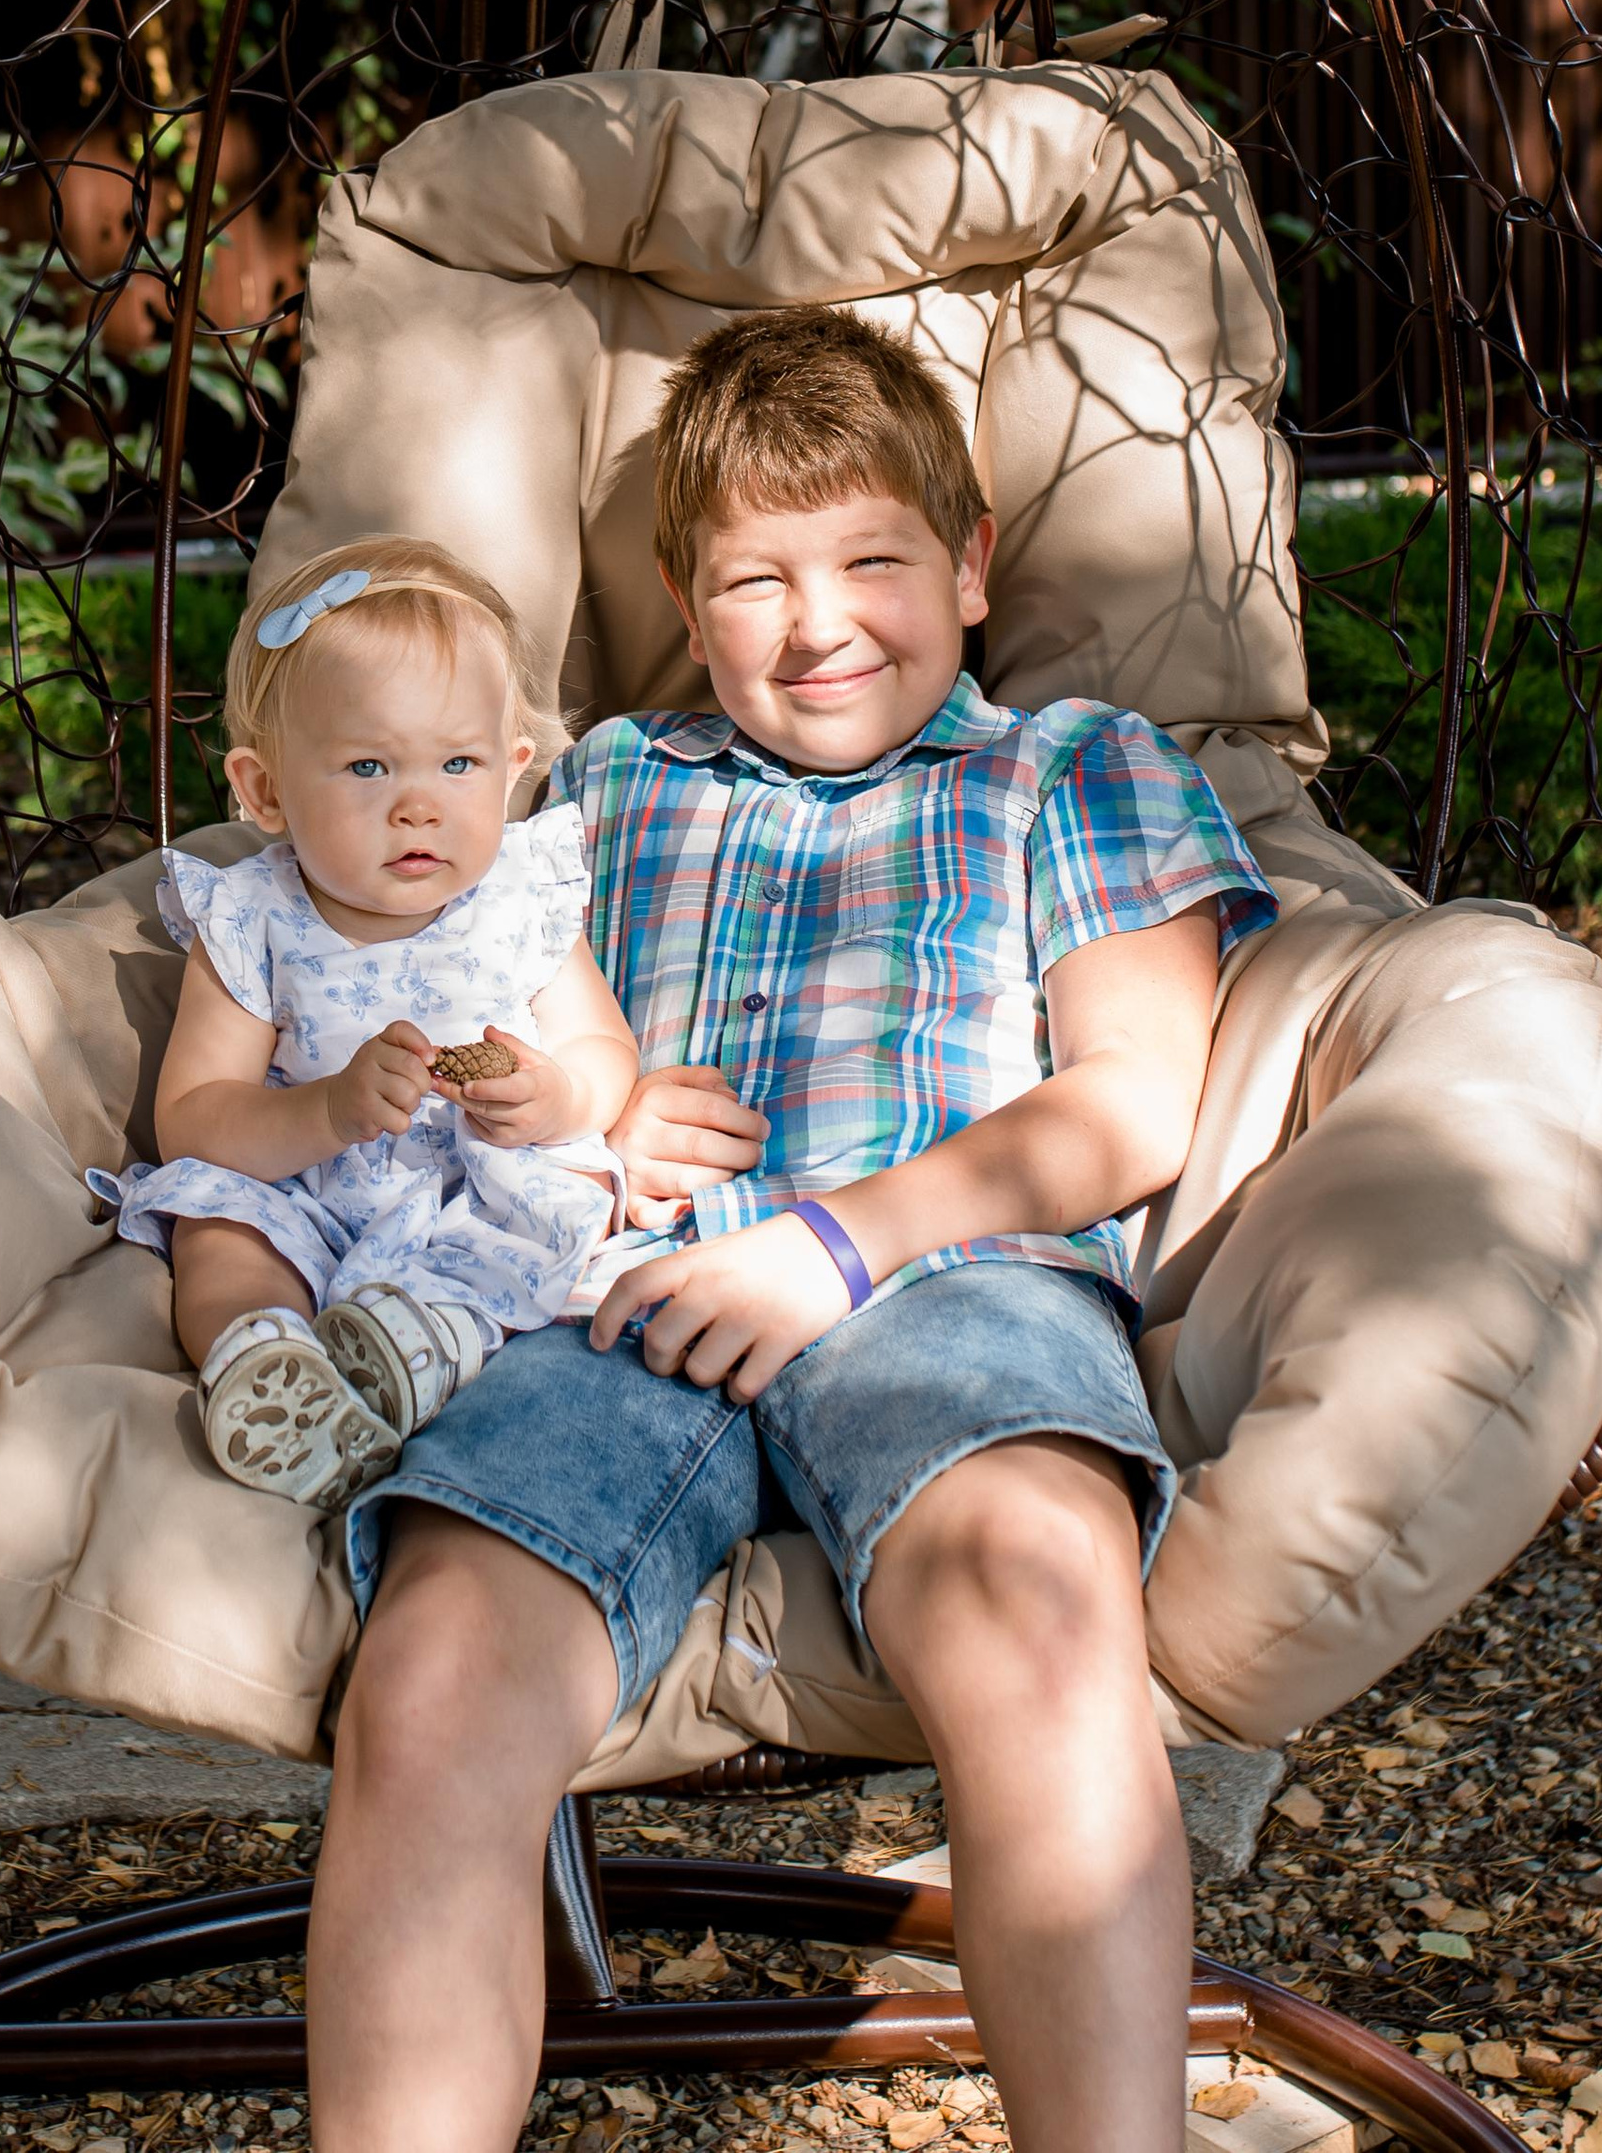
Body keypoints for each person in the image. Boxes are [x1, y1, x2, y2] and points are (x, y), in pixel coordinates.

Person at [305, 306, 1279, 2153]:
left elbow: (1126, 1100)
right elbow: (437, 1001)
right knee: (433, 1675)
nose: (820, 619)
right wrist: (575, 1098)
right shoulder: (589, 786)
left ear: (975, 562)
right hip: (611, 1296)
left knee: (1039, 1605)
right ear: (684, 593)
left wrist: (833, 1245)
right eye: (753, 577)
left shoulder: (1071, 764)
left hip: (943, 1283)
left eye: (875, 559)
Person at [90, 534, 641, 1510]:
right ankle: (265, 1363)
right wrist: (328, 1112)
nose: (418, 806)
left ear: (514, 771)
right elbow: (194, 1116)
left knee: (562, 1203)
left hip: (471, 1181)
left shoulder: (521, 898)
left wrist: (556, 1096)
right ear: (264, 791)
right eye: (368, 767)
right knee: (217, 1226)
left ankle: (420, 1345)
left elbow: (605, 1053)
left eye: (458, 763)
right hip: (303, 1186)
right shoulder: (251, 916)